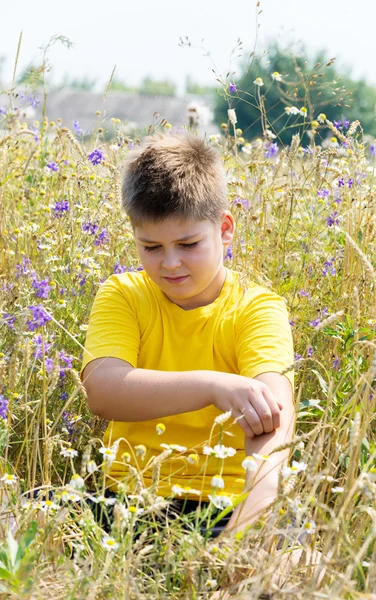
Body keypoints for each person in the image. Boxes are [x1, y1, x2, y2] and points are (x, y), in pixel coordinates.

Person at [80, 131, 296, 540]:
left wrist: (245, 537)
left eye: (188, 243)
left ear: (225, 229)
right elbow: (102, 391)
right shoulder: (124, 294)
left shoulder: (257, 308)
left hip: (232, 502)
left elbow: (274, 423)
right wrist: (213, 386)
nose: (170, 263)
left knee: (304, 566)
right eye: (151, 247)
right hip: (132, 498)